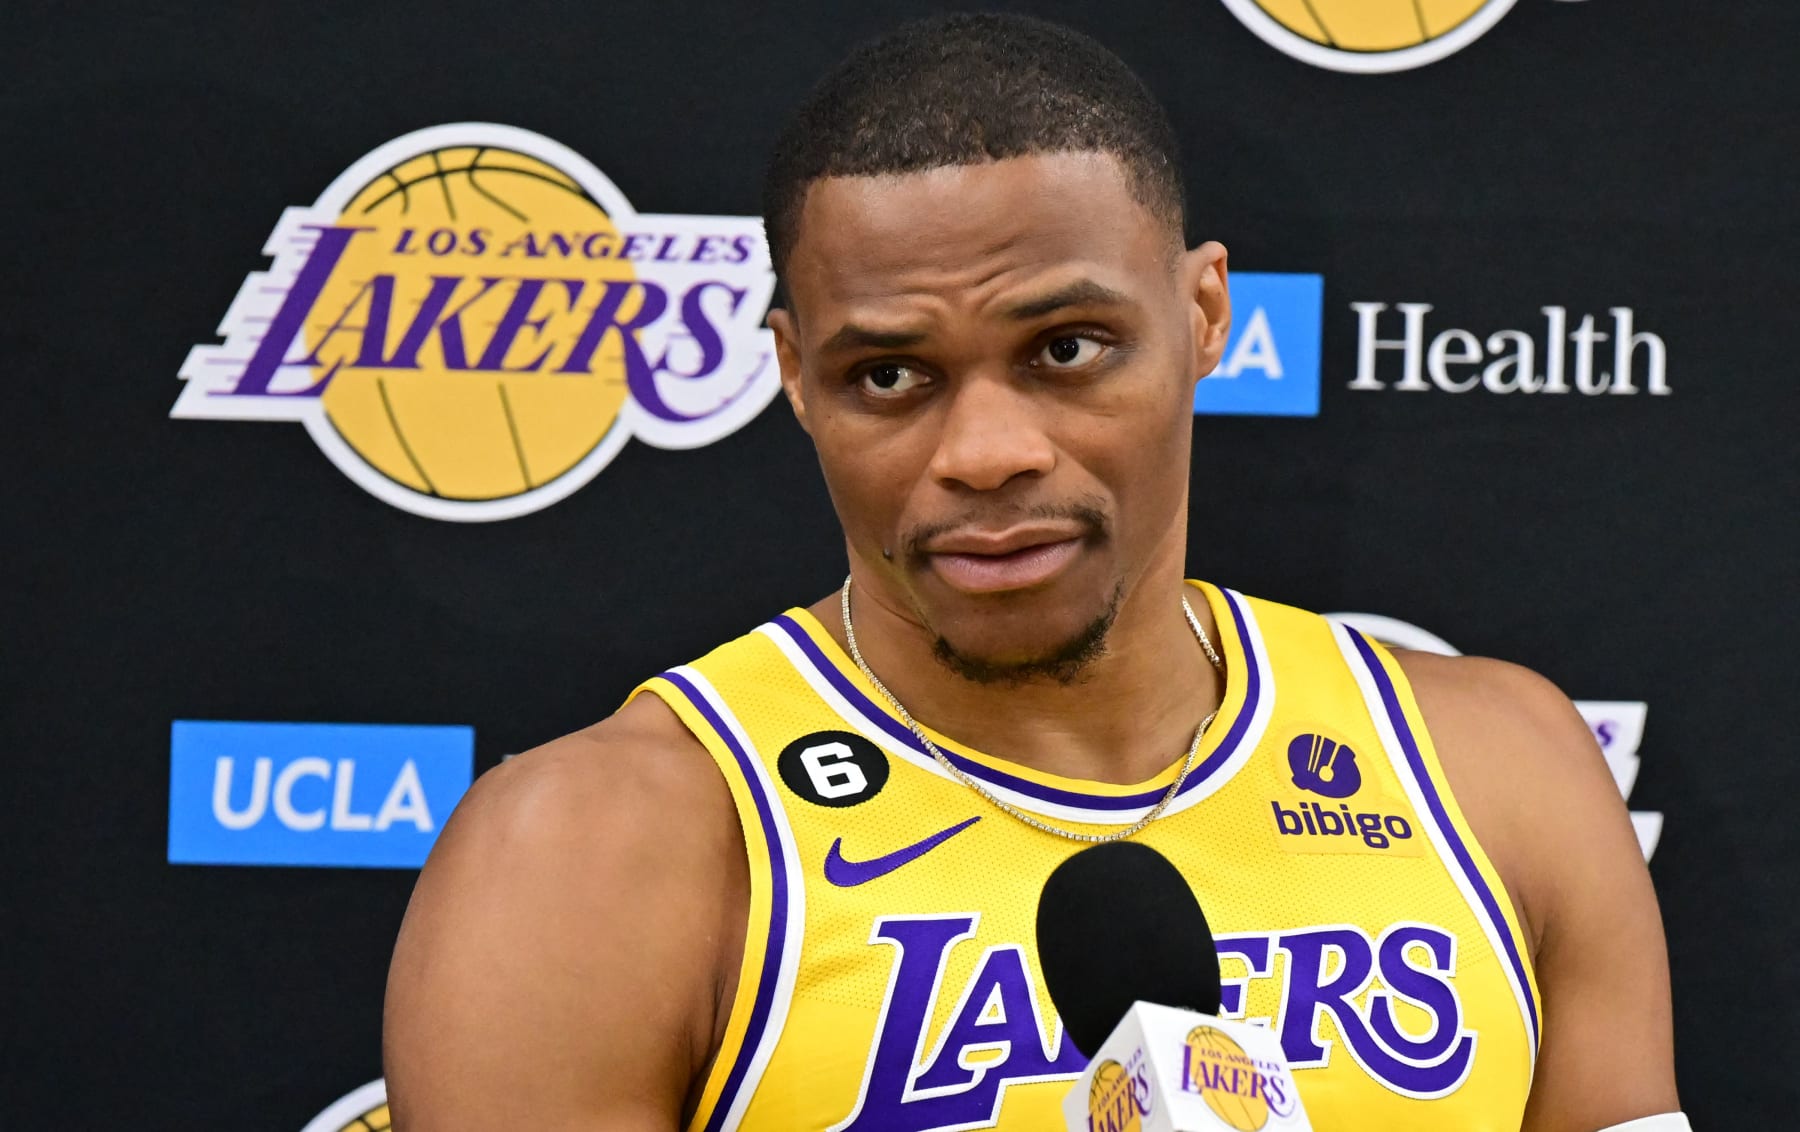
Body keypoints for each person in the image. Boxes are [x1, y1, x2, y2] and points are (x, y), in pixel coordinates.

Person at [383, 13, 1679, 1131]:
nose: (988, 453)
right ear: (789, 373)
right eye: (890, 376)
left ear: (1207, 316)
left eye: (1067, 348)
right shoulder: (595, 853)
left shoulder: (1497, 768)